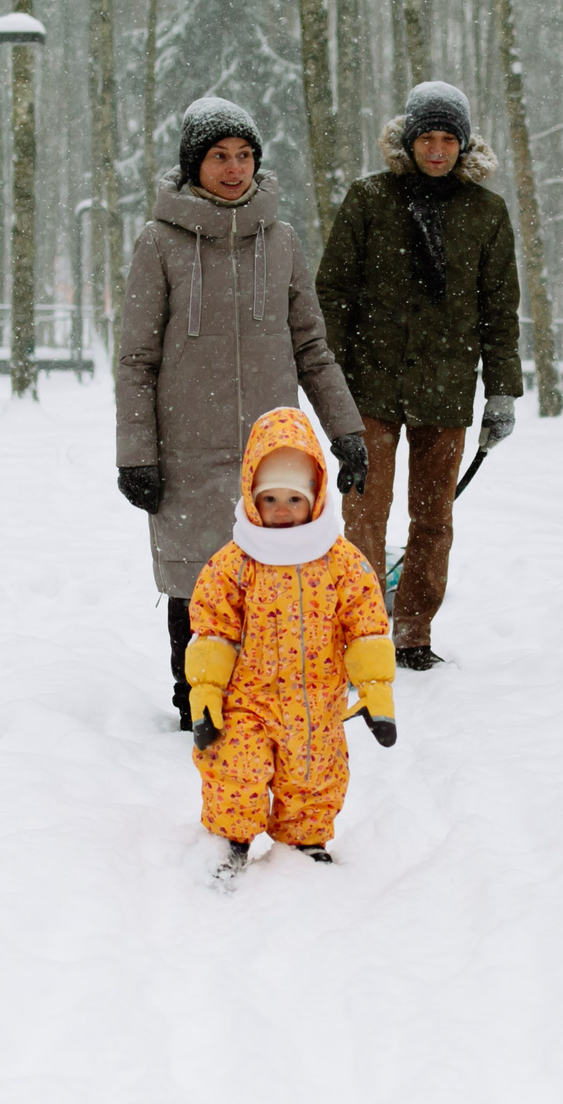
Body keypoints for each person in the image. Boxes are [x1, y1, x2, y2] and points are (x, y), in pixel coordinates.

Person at [117, 97, 369, 729]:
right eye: (219, 157)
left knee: (272, 576)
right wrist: (136, 455)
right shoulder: (159, 242)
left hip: (270, 452)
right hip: (186, 446)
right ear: (194, 165)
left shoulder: (281, 241)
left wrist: (345, 430)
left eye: (245, 156)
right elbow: (137, 359)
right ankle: (195, 701)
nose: (234, 169)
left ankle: (260, 700)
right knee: (196, 578)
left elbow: (311, 347)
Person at [316, 81, 524, 671]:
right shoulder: (369, 199)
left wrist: (502, 391)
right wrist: (329, 379)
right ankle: (360, 631)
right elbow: (333, 293)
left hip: (446, 389)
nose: (437, 150)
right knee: (364, 513)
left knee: (433, 519)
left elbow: (499, 308)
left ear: (464, 145)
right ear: (408, 141)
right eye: (427, 138)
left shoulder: (486, 213)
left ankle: (412, 631)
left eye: (448, 139)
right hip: (370, 387)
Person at [184, 407, 395, 874]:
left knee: (314, 775)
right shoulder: (235, 562)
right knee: (235, 768)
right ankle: (230, 837)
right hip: (248, 699)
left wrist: (376, 689)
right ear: (251, 497)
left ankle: (304, 840)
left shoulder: (341, 561)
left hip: (317, 700)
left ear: (315, 499)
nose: (282, 510)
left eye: (294, 499)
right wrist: (206, 691)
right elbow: (213, 630)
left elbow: (366, 627)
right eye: (270, 498)